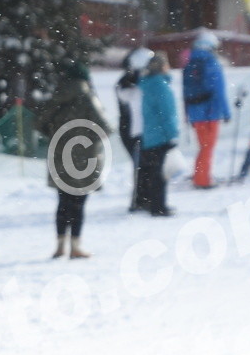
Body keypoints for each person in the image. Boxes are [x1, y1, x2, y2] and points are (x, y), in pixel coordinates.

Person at [36, 61, 108, 259]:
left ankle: (60, 245)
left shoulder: (57, 97)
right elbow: (104, 127)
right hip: (84, 158)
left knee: (63, 201)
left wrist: (55, 135)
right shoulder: (87, 98)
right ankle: (75, 246)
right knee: (79, 202)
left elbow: (39, 122)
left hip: (59, 154)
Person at [181, 30, 230, 189]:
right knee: (208, 148)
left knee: (203, 146)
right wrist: (226, 112)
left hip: (195, 112)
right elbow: (219, 90)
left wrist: (187, 114)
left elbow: (185, 91)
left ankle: (200, 174)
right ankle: (202, 180)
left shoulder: (189, 63)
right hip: (211, 112)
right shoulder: (212, 63)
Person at [137, 52, 179, 217]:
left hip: (150, 134)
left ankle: (153, 203)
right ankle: (159, 206)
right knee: (161, 173)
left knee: (153, 172)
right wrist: (172, 134)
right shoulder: (161, 86)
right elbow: (167, 114)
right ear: (162, 67)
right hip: (161, 135)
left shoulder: (147, 85)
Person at [115, 47, 152, 212]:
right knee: (140, 165)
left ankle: (145, 197)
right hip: (131, 130)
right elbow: (130, 100)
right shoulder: (127, 82)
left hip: (136, 129)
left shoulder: (134, 80)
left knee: (145, 164)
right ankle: (138, 200)